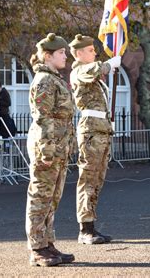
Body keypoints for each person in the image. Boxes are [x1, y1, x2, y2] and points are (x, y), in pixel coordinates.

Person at [26, 33, 76, 267]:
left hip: (58, 146)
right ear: (47, 56)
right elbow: (42, 117)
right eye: (61, 53)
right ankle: (37, 247)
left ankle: (47, 243)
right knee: (40, 197)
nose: (66, 56)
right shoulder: (44, 80)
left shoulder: (54, 79)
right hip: (47, 146)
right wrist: (46, 148)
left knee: (52, 197)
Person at [69, 34, 121, 244]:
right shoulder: (79, 71)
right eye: (90, 50)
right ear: (79, 53)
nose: (94, 53)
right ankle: (85, 228)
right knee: (88, 179)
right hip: (91, 132)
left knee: (97, 180)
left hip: (101, 130)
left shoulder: (92, 76)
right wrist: (109, 64)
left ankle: (91, 225)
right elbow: (95, 69)